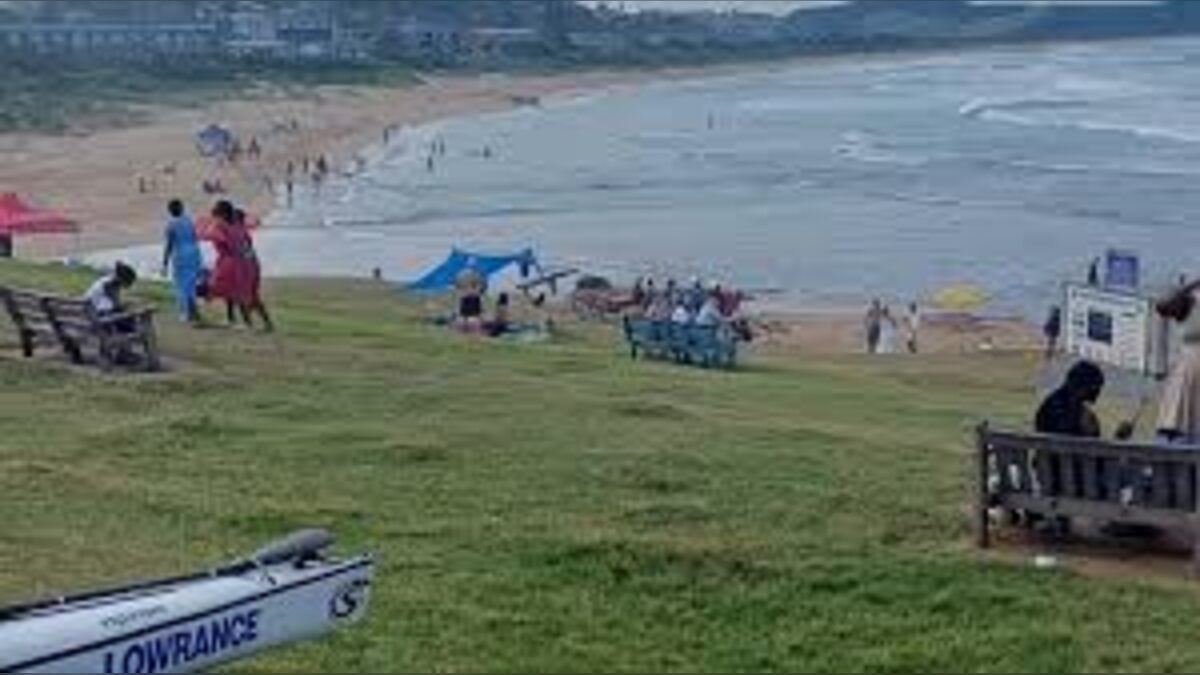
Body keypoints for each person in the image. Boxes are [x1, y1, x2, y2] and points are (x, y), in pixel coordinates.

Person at [1154, 277, 1200, 443]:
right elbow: (1162, 305)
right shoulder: (1193, 298)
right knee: (1179, 425)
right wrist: (1194, 283)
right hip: (1189, 368)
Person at [206, 200, 253, 327]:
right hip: (238, 260)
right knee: (232, 291)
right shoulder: (236, 225)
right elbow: (246, 242)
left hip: (228, 261)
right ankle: (235, 318)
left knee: (230, 290)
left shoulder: (222, 226)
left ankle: (242, 320)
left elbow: (220, 239)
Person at [160, 199, 203, 324]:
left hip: (180, 256)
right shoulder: (188, 221)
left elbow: (169, 245)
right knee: (191, 285)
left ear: (170, 211)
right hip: (193, 253)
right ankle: (194, 311)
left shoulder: (171, 225)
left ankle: (187, 313)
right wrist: (199, 258)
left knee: (182, 286)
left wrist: (165, 263)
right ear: (182, 209)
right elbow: (195, 238)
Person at [233, 208, 274, 332]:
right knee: (252, 297)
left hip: (247, 267)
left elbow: (240, 251)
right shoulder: (244, 232)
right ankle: (266, 323)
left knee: (242, 296)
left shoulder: (237, 232)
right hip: (253, 265)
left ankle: (249, 323)